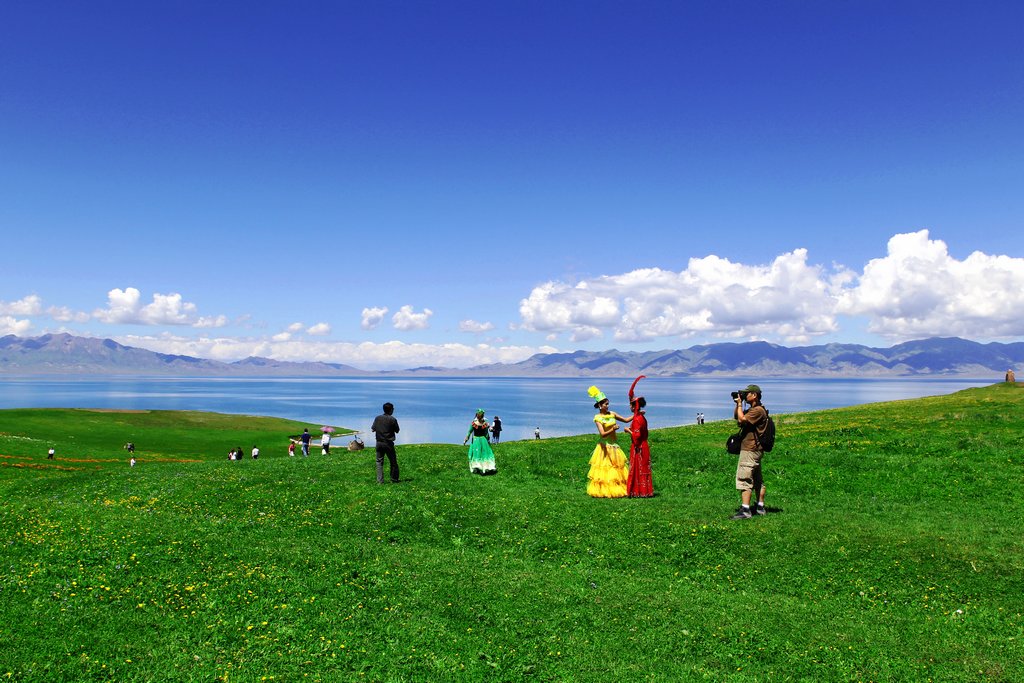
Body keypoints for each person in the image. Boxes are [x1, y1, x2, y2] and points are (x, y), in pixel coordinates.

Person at [730, 384, 769, 519]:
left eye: (747, 394)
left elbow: (742, 419)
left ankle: (745, 510)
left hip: (750, 449)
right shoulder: (754, 410)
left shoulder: (757, 410)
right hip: (754, 449)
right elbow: (737, 417)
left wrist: (740, 404)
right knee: (757, 479)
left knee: (744, 477)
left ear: (754, 395)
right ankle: (760, 507)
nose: (745, 396)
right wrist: (738, 405)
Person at [586, 385, 630, 498]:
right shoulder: (598, 418)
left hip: (614, 445)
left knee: (616, 467)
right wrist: (613, 429)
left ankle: (617, 488)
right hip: (605, 446)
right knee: (605, 468)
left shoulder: (612, 414)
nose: (608, 406)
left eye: (608, 403)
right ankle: (604, 490)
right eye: (606, 404)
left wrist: (636, 415)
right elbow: (602, 434)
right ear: (600, 406)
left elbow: (625, 420)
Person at [625, 376, 654, 498]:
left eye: (631, 405)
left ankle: (637, 491)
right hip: (644, 445)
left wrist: (628, 431)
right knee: (643, 469)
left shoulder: (637, 419)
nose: (629, 407)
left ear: (634, 406)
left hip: (639, 448)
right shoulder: (641, 418)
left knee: (637, 469)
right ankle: (644, 491)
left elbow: (636, 437)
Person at [371, 402, 401, 483]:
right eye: (393, 409)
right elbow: (397, 430)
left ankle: (380, 481)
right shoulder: (393, 419)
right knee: (393, 462)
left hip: (379, 442)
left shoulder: (377, 418)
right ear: (391, 410)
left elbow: (373, 429)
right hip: (388, 443)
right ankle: (394, 479)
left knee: (379, 462)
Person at [463, 409, 497, 475]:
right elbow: (469, 432)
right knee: (477, 453)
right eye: (480, 415)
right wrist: (466, 439)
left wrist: (488, 438)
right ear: (477, 415)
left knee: (484, 453)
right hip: (478, 440)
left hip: (482, 440)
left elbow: (486, 432)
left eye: (481, 415)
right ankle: (477, 467)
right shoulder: (474, 423)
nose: (480, 417)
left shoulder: (485, 422)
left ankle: (486, 467)